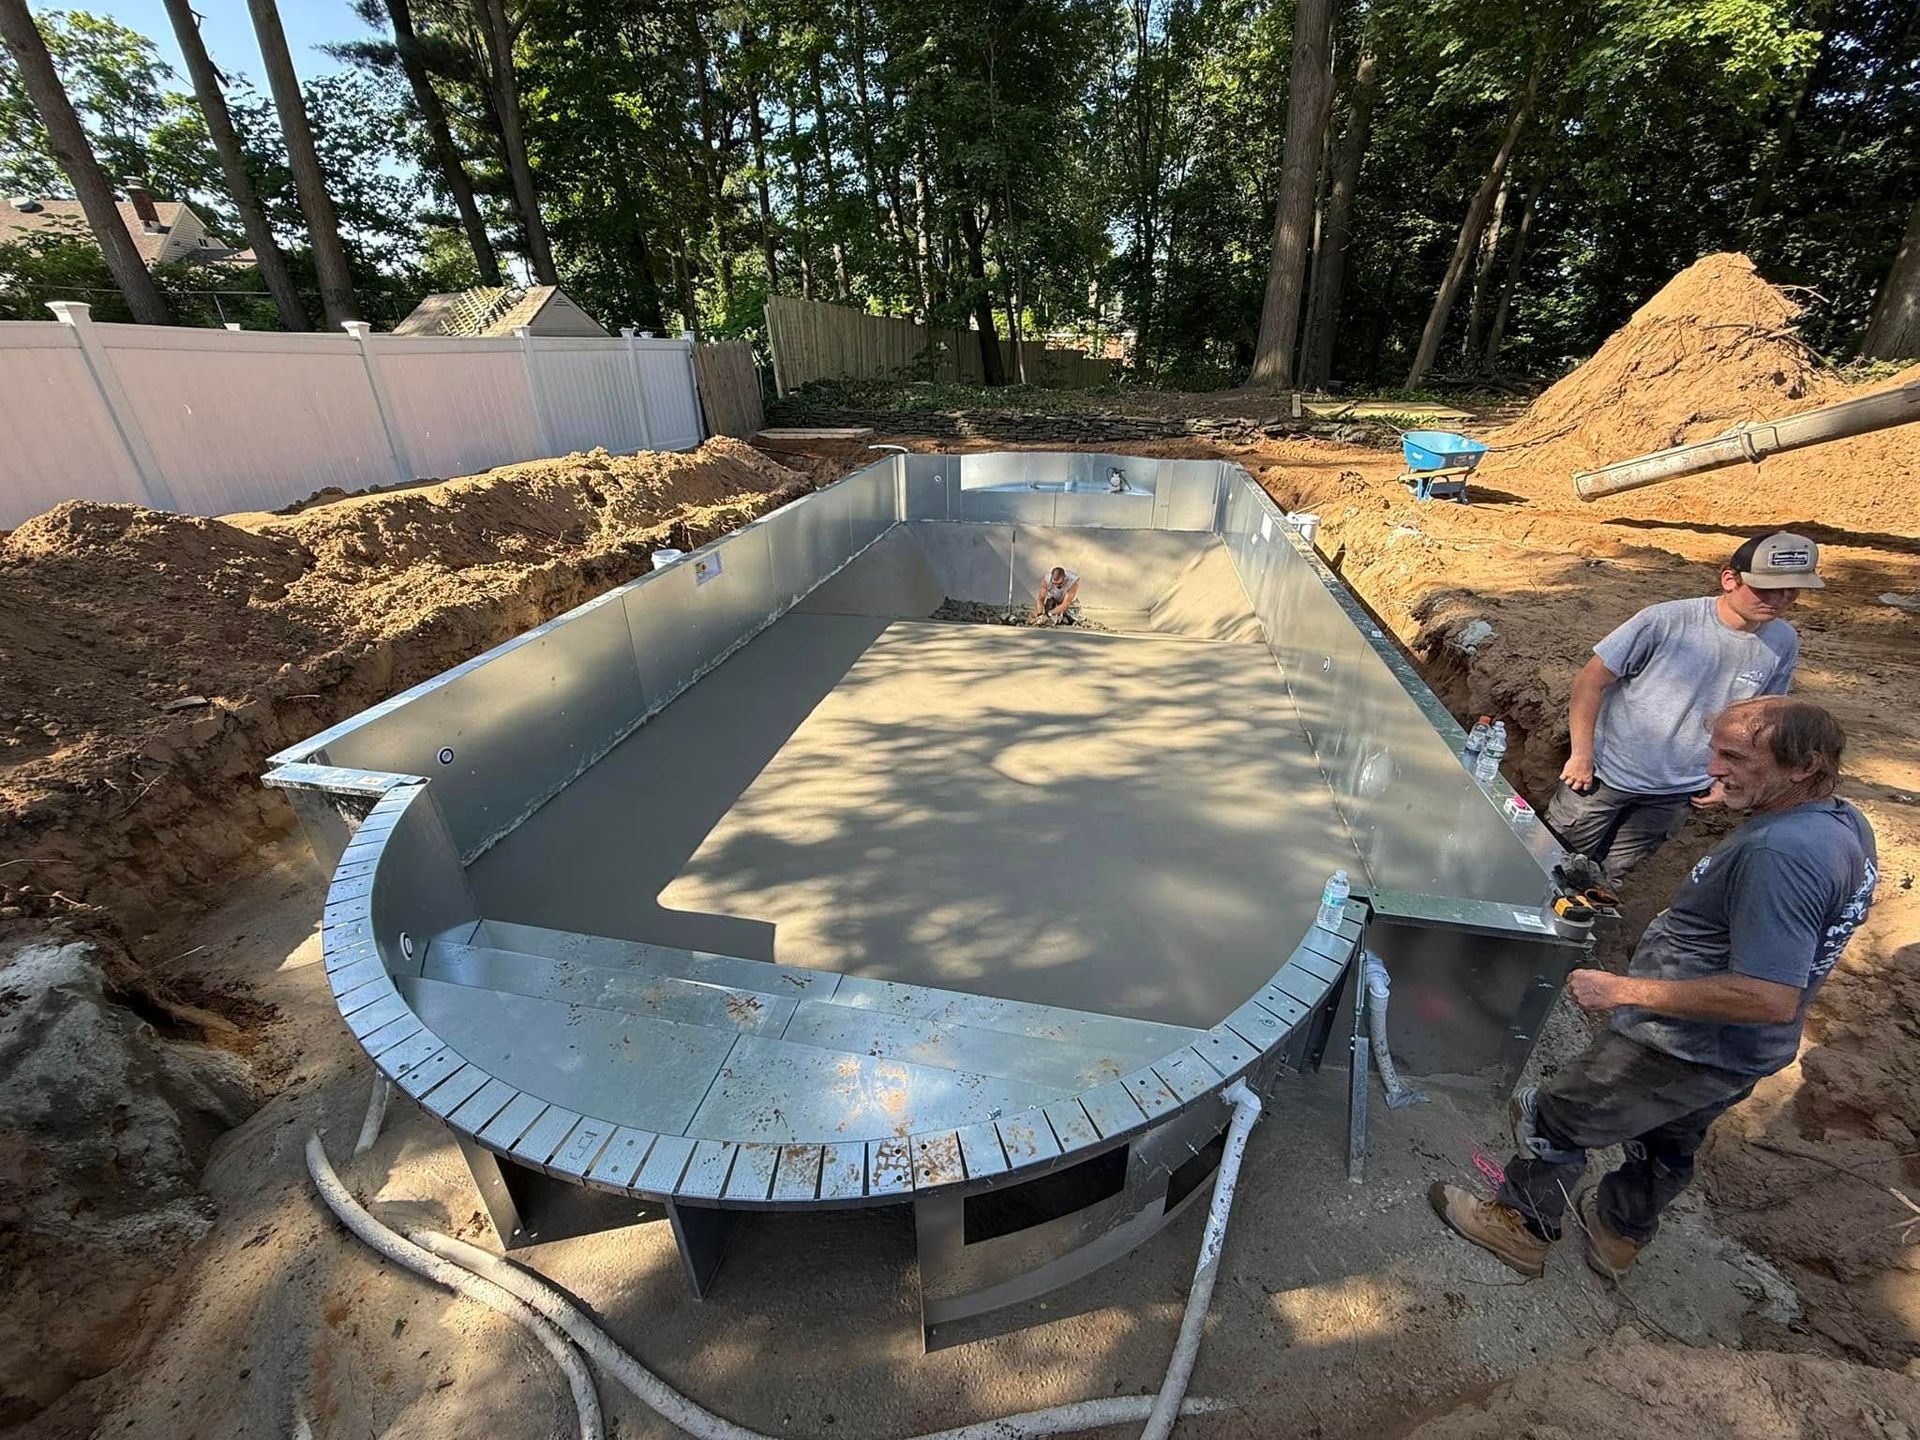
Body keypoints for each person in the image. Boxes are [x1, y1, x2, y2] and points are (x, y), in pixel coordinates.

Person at [1431, 697, 1877, 1279]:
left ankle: (1521, 1226)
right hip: (1740, 1054)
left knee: (1558, 1116)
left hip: (1681, 1045)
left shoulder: (1781, 854)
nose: (1712, 768)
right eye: (1716, 751)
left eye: (1735, 758)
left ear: (1802, 767)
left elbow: (1768, 996)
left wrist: (1622, 991)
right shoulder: (1840, 823)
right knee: (1668, 1140)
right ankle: (1618, 1235)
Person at [1547, 532, 1819, 880]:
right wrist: (1581, 756)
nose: (1780, 599)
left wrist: (1727, 779)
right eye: (1767, 588)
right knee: (1551, 863)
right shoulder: (1666, 622)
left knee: (1609, 879)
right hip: (1603, 778)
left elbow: (1761, 720)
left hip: (1676, 794)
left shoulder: (1783, 641)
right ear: (1729, 579)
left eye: (1791, 591)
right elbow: (1590, 682)